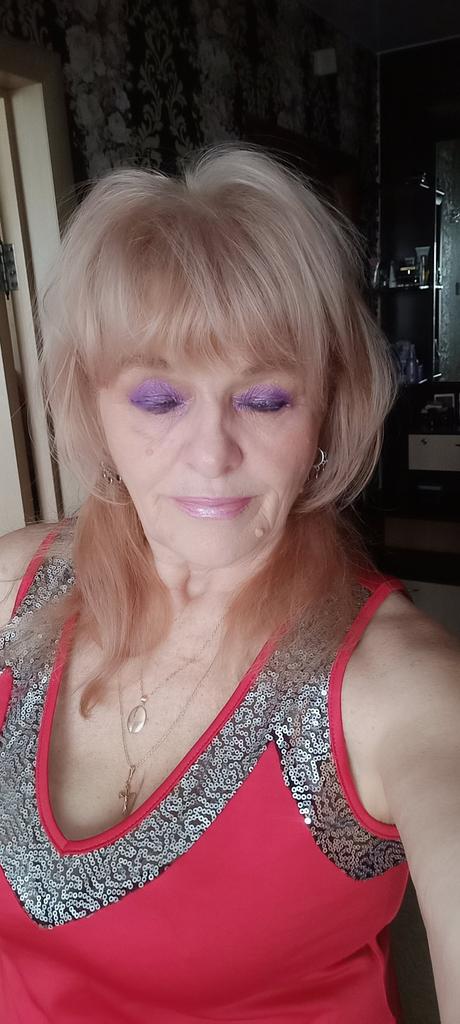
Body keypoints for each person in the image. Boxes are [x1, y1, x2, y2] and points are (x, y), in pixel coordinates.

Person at [0, 144, 459, 1024]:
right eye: (159, 399)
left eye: (266, 399)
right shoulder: (14, 588)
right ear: (93, 404)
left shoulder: (400, 689)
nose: (211, 456)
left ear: (326, 409)